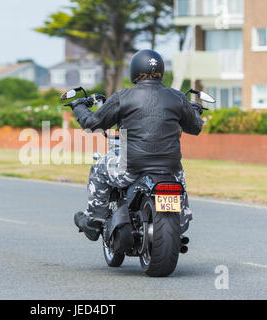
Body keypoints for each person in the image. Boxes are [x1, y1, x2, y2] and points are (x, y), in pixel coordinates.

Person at [69, 49, 204, 241]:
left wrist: (79, 107)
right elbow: (195, 127)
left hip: (132, 168)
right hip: (170, 169)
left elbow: (93, 124)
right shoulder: (177, 97)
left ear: (134, 71)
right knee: (178, 180)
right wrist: (194, 110)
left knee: (99, 167)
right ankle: (181, 218)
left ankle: (93, 221)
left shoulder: (124, 97)